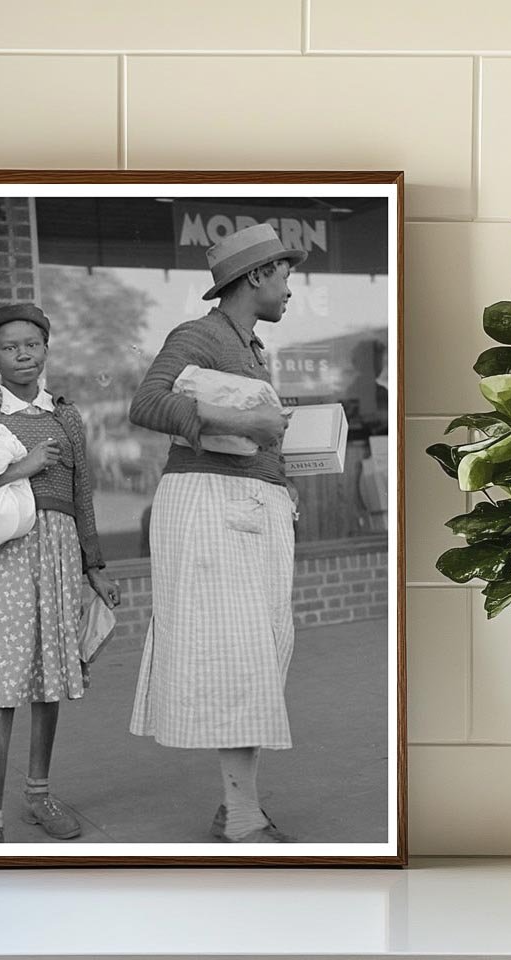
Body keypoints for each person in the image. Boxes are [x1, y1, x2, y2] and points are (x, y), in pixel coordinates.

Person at [128, 223, 306, 843]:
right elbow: (147, 403)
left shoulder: (250, 346)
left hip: (251, 507)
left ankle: (238, 804)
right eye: (284, 273)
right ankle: (242, 814)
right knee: (239, 658)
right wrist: (241, 419)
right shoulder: (199, 334)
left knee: (260, 656)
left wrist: (282, 475)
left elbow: (255, 436)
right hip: (210, 505)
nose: (290, 287)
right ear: (255, 275)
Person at [0, 302, 120, 844]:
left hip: (61, 553)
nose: (23, 353)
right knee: (2, 682)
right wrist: (22, 468)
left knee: (48, 682)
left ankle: (39, 795)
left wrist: (95, 568)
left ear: (45, 349)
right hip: (6, 556)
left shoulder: (65, 416)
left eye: (33, 344)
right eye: (10, 346)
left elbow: (83, 496)